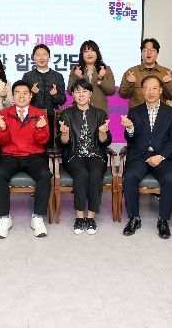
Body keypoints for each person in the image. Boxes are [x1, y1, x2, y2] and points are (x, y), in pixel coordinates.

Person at [120, 76, 172, 239]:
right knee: (130, 176)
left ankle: (163, 220)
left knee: (170, 177)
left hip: (162, 156)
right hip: (140, 155)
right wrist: (130, 128)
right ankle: (134, 218)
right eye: (146, 88)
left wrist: (161, 156)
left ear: (160, 90)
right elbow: (129, 138)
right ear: (142, 91)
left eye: (154, 88)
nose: (150, 92)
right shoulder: (135, 111)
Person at [0, 80, 51, 239]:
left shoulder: (40, 114)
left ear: (31, 96)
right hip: (10, 156)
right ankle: (4, 218)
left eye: (25, 93)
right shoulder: (4, 114)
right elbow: (1, 141)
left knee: (45, 174)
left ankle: (37, 217)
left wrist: (40, 128)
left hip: (34, 155)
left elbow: (44, 141)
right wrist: (2, 128)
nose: (21, 96)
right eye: (17, 93)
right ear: (13, 96)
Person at [57, 78, 112, 235]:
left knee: (95, 174)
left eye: (85, 91)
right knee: (81, 174)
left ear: (90, 94)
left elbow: (105, 141)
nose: (81, 94)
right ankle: (80, 217)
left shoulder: (100, 114)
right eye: (77, 91)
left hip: (96, 154)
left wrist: (102, 133)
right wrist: (64, 134)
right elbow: (62, 143)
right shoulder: (66, 114)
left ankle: (91, 217)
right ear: (73, 95)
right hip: (74, 154)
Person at [22, 44, 66, 148]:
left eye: (44, 54)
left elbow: (62, 100)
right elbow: (22, 99)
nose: (41, 58)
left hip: (52, 117)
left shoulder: (58, 76)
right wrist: (32, 94)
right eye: (38, 55)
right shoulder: (27, 76)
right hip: (32, 118)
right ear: (33, 57)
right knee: (33, 147)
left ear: (49, 57)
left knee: (50, 146)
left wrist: (55, 95)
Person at [119, 38, 172, 108]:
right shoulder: (131, 72)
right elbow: (123, 95)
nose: (149, 53)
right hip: (137, 113)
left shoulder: (166, 73)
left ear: (157, 53)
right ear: (141, 53)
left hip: (160, 113)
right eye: (145, 50)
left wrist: (167, 84)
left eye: (152, 50)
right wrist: (129, 83)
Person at [66, 40, 116, 114]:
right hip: (79, 111)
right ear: (82, 55)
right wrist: (78, 78)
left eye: (92, 50)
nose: (89, 54)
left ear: (97, 53)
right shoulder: (76, 69)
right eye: (86, 51)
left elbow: (111, 91)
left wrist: (101, 79)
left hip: (100, 111)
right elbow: (70, 91)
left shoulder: (105, 69)